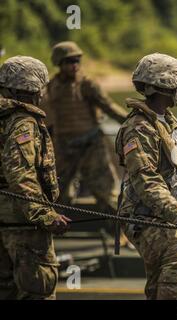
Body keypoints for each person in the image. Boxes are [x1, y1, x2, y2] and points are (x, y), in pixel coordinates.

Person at [115, 53, 177, 299]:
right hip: (144, 217)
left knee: (159, 281)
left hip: (165, 216)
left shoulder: (168, 124)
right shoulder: (140, 128)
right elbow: (146, 180)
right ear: (168, 86)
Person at [0, 56, 70, 299]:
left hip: (6, 222)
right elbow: (20, 174)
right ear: (37, 88)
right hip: (24, 225)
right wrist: (45, 215)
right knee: (37, 290)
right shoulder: (24, 123)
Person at [43, 41, 127, 215]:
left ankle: (119, 234)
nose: (74, 65)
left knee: (106, 192)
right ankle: (60, 232)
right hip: (63, 146)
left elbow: (109, 107)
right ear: (59, 63)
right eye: (69, 61)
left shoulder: (87, 84)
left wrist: (132, 123)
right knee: (57, 193)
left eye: (77, 61)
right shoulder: (51, 87)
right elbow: (47, 117)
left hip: (91, 145)